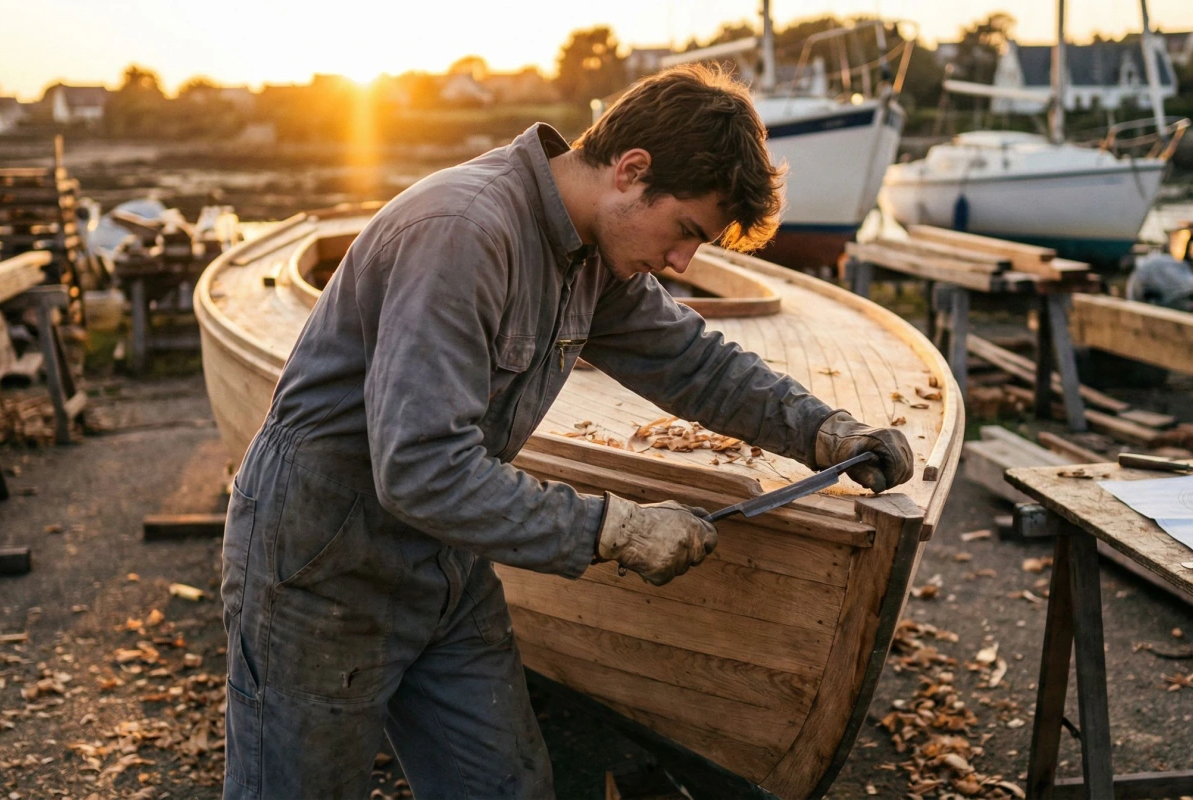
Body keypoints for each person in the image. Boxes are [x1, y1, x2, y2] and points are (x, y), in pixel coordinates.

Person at [220, 65, 915, 800]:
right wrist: (611, 528)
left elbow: (692, 361)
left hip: (442, 563)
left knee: (507, 788)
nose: (683, 262)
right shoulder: (464, 234)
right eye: (685, 232)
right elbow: (422, 468)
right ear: (632, 170)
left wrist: (825, 430)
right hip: (322, 565)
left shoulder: (590, 252)